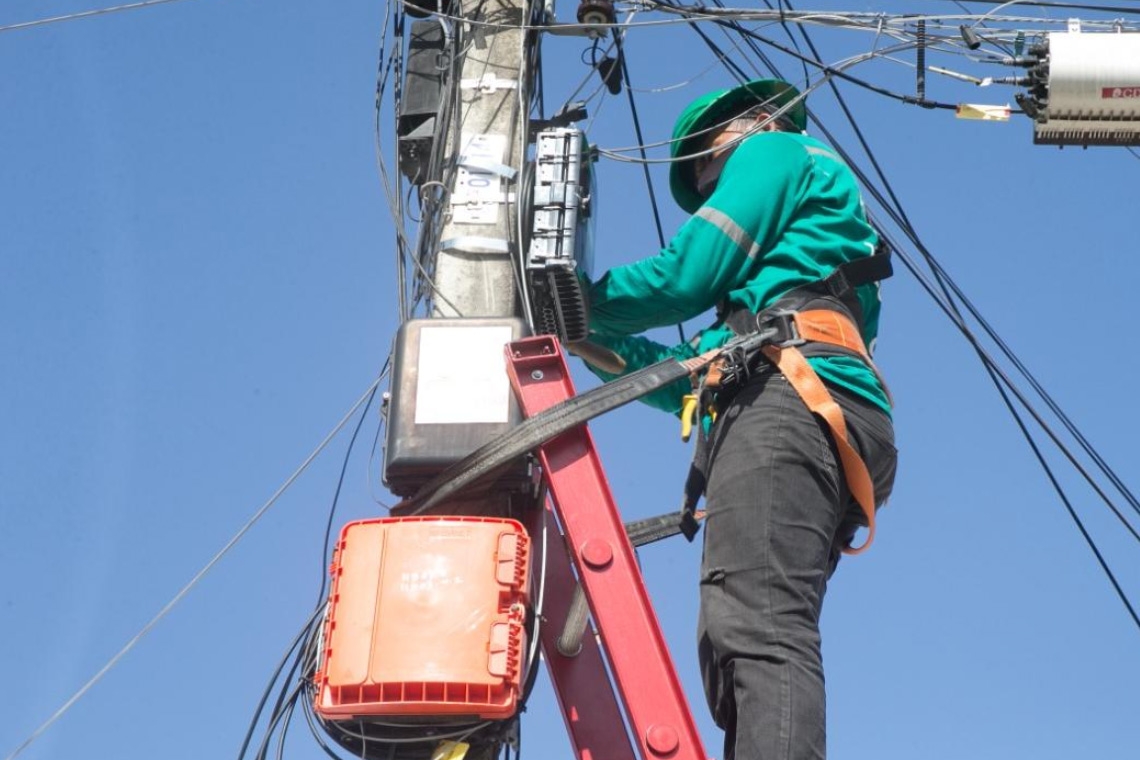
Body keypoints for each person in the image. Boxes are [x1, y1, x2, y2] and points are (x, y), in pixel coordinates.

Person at [577, 79, 898, 760]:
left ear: (754, 121)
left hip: (792, 395)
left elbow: (684, 277)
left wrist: (574, 297)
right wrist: (583, 340)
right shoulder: (782, 288)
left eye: (704, 155)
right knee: (740, 635)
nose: (701, 176)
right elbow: (681, 381)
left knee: (756, 626)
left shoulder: (775, 148)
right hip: (806, 396)